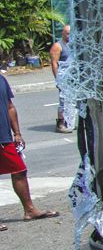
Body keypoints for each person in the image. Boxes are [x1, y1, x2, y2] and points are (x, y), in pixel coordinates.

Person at [0, 73, 60, 229]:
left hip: (4, 137)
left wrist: (17, 133)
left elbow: (10, 107)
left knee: (19, 170)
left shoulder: (1, 79)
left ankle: (30, 210)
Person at [49, 24, 75, 133]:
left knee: (72, 101)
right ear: (63, 34)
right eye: (67, 33)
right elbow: (54, 63)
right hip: (64, 78)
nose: (69, 36)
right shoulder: (58, 46)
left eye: (71, 33)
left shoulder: (73, 44)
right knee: (63, 101)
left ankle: (69, 122)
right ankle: (60, 123)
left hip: (73, 77)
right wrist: (58, 79)